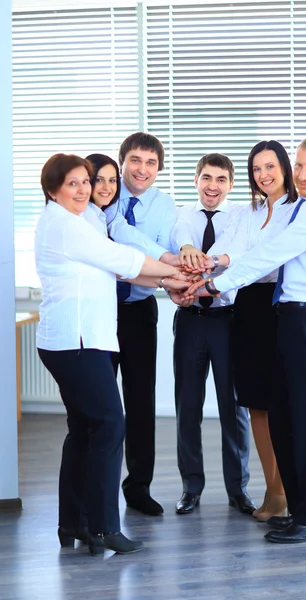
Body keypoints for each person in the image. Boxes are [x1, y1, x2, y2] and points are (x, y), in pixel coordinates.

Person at [185, 136, 306, 543]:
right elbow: (245, 249)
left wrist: (210, 287)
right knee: (285, 417)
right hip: (291, 317)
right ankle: (300, 509)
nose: (304, 174)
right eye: (301, 165)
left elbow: (267, 255)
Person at [36, 153, 187, 555]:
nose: (85, 189)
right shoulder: (63, 224)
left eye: (86, 181)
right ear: (52, 189)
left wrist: (168, 285)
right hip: (75, 341)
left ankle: (73, 523)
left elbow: (120, 269)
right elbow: (121, 258)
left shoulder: (86, 218)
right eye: (74, 183)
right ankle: (104, 527)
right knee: (108, 425)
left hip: (85, 340)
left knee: (85, 431)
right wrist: (174, 275)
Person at [207, 141, 298, 522]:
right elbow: (228, 250)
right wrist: (204, 265)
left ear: (285, 168)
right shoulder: (249, 211)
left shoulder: (298, 210)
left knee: (281, 404)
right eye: (256, 169)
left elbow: (264, 258)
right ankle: (273, 489)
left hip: (278, 309)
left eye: (270, 166)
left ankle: (284, 491)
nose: (263, 175)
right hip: (247, 307)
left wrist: (219, 273)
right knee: (256, 404)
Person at [170, 153, 256, 515]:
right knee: (187, 406)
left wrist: (211, 261)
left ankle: (238, 489)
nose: (212, 186)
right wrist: (188, 249)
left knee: (233, 408)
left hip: (227, 320)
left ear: (231, 185)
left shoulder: (243, 215)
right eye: (206, 177)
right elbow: (181, 239)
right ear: (195, 179)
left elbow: (235, 250)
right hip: (189, 319)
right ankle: (191, 486)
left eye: (221, 179)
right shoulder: (183, 215)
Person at [105, 133, 180, 516]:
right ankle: (99, 490)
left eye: (151, 163)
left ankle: (138, 487)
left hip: (138, 312)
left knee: (140, 401)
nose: (142, 169)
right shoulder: (102, 193)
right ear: (122, 162)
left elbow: (170, 246)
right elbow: (120, 235)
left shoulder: (166, 206)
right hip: (101, 311)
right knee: (102, 406)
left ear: (159, 168)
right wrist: (165, 260)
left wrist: (174, 264)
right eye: (135, 160)